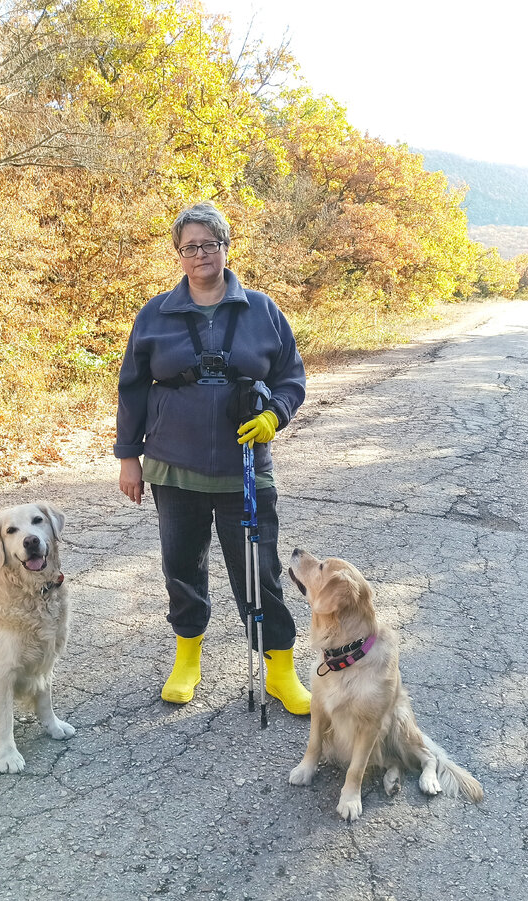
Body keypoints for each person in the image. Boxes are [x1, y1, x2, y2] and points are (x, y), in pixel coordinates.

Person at [114, 201, 311, 715]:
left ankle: (281, 670)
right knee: (180, 566)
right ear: (179, 255)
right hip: (172, 467)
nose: (199, 254)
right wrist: (128, 456)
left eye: (209, 244)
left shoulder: (263, 311)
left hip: (245, 468)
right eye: (189, 247)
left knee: (260, 572)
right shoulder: (155, 314)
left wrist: (277, 415)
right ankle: (187, 659)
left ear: (226, 248)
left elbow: (291, 377)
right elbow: (132, 389)